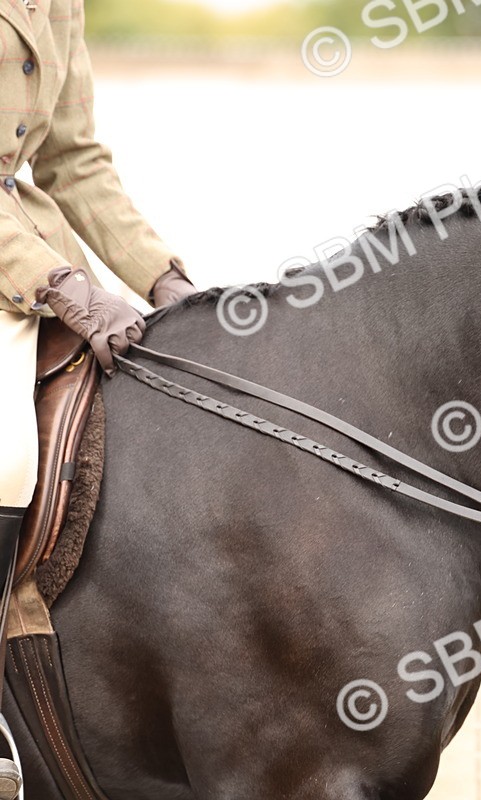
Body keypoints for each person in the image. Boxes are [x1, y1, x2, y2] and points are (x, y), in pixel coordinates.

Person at [0, 3, 195, 793]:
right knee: (10, 452)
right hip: (26, 269)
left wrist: (163, 279)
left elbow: (73, 161)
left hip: (36, 255)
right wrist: (61, 286)